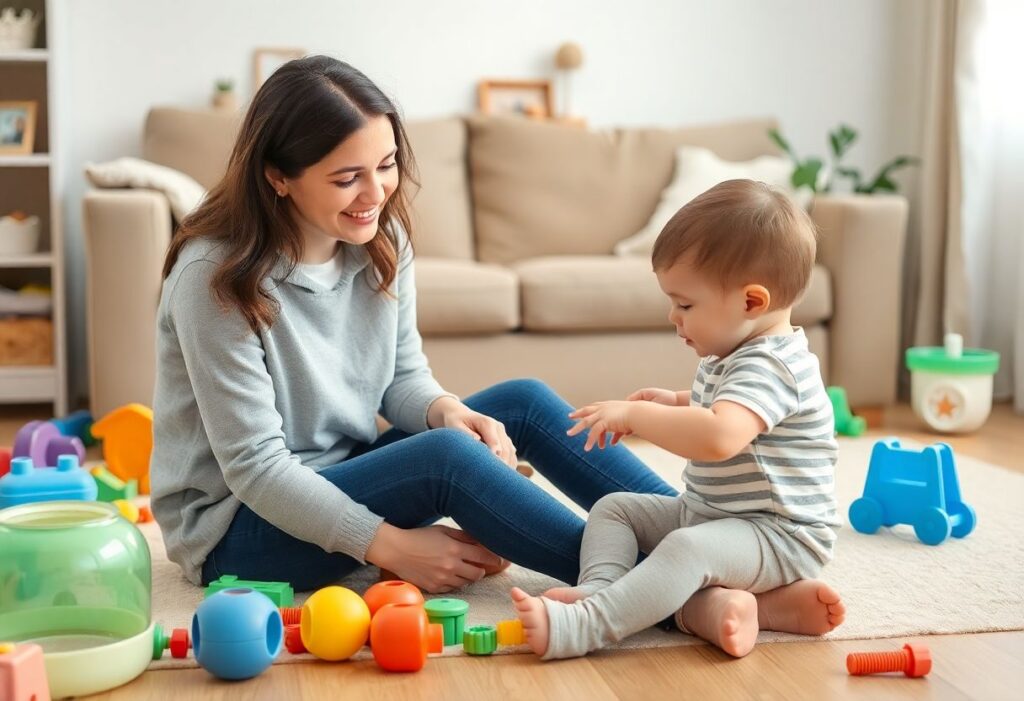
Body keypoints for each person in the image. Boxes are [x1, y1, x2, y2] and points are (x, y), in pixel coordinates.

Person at [149, 55, 677, 594]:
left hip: (341, 473)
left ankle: (704, 533)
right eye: (347, 178)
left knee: (521, 401)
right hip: (236, 527)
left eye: (386, 164)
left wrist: (447, 410)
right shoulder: (215, 277)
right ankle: (667, 584)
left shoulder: (378, 238)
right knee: (446, 459)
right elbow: (258, 469)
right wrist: (393, 547)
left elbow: (400, 376)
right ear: (278, 177)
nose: (376, 193)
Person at [511, 179, 846, 659]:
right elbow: (724, 407)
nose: (673, 316)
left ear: (752, 302)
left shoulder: (772, 364)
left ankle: (588, 625)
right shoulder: (736, 351)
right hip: (717, 515)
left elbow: (721, 435)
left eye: (685, 304)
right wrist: (675, 402)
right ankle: (603, 587)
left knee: (686, 551)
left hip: (780, 534)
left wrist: (640, 415)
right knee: (614, 508)